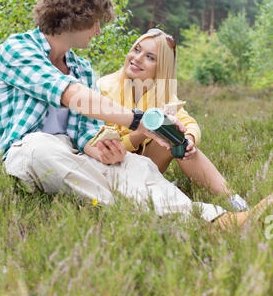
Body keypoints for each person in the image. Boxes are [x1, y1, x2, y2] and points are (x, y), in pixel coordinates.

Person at [0, 0, 272, 230]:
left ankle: (218, 220)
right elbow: (73, 96)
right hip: (23, 150)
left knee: (137, 166)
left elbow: (82, 130)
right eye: (95, 22)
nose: (98, 31)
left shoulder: (82, 68)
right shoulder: (18, 48)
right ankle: (153, 213)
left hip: (73, 153)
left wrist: (98, 149)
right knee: (43, 148)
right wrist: (138, 121)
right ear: (75, 16)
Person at [98, 28, 248, 211]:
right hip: (111, 166)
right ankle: (164, 197)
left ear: (161, 67)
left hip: (146, 164)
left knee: (181, 142)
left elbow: (189, 123)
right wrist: (139, 134)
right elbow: (101, 147)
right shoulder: (103, 89)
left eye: (150, 57)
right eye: (137, 49)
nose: (137, 58)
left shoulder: (163, 95)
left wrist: (190, 139)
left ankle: (236, 202)